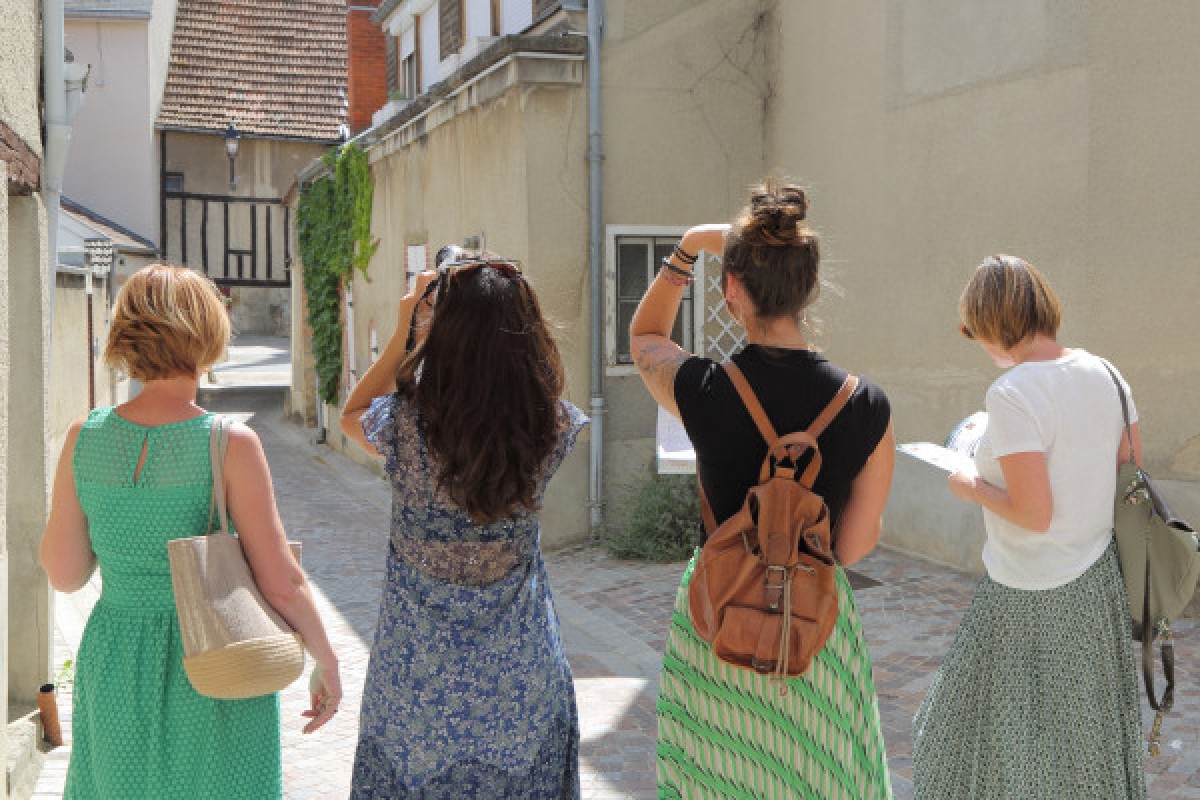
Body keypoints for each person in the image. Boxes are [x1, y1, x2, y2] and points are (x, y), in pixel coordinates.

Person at [630, 181, 896, 799]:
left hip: (718, 617)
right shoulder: (867, 405)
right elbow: (854, 547)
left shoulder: (703, 389)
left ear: (732, 290)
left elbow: (644, 338)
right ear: (810, 289)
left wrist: (688, 249)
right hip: (815, 630)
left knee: (717, 781)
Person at [40, 265, 342, 798]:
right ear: (206, 333)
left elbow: (64, 574)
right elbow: (281, 583)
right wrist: (326, 659)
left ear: (126, 335)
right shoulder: (229, 442)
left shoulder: (83, 437)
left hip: (115, 657)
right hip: (216, 656)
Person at [340, 252, 587, 798]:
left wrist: (406, 332)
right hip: (521, 678)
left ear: (446, 332)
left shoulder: (402, 425)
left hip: (414, 683)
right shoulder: (551, 424)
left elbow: (351, 414)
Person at [912, 254, 1146, 799]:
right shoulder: (1107, 373)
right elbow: (1129, 473)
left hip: (1025, 591)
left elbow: (1033, 514)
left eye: (972, 329)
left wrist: (970, 484)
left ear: (991, 321)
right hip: (1096, 586)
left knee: (971, 741)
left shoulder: (1013, 392)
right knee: (1082, 745)